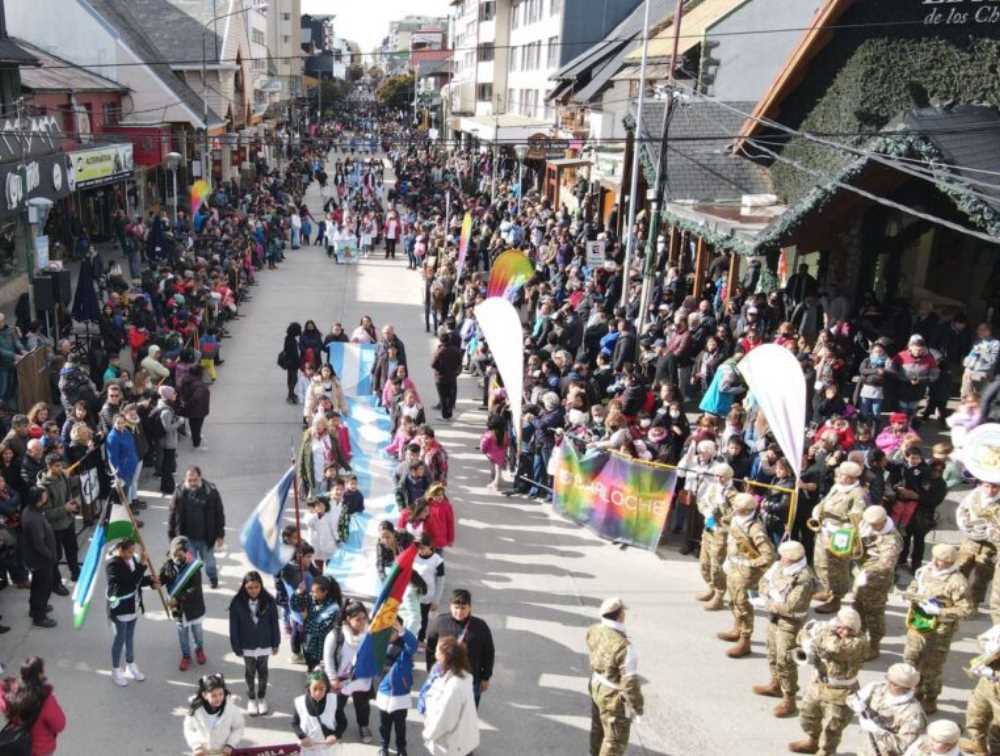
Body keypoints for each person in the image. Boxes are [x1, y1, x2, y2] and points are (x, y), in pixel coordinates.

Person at [901, 543, 973, 714]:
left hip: (941, 629)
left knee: (932, 666)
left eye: (941, 561)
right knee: (911, 658)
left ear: (949, 563)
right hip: (919, 622)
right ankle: (914, 691)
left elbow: (966, 610)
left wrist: (940, 611)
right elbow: (915, 584)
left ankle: (930, 698)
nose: (936, 562)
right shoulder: (926, 571)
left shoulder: (957, 582)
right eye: (935, 558)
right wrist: (910, 594)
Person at [788, 607, 868, 755]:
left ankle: (825, 752)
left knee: (831, 729)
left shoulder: (858, 643)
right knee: (807, 716)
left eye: (849, 630)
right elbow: (801, 635)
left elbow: (833, 648)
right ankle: (813, 742)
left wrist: (815, 632)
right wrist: (809, 634)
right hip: (818, 683)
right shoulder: (830, 631)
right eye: (842, 627)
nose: (844, 633)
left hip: (840, 692)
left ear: (856, 630)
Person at [751, 540, 817, 718]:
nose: (781, 560)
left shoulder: (804, 578)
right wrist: (770, 598)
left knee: (786, 660)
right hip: (774, 617)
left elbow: (791, 607)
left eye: (784, 558)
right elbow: (763, 583)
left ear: (793, 560)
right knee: (772, 653)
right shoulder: (779, 566)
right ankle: (775, 684)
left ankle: (789, 699)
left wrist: (767, 601)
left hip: (790, 624)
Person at [718, 492, 774, 658]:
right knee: (734, 600)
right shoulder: (736, 518)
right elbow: (726, 523)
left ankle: (745, 640)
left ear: (748, 510)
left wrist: (750, 564)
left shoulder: (755, 528)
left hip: (746, 571)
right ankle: (737, 628)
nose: (734, 510)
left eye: (738, 509)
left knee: (743, 604)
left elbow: (768, 556)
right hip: (733, 565)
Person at [586, 596, 643, 756]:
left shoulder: (594, 630)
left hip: (596, 684)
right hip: (612, 695)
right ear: (620, 615)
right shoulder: (625, 647)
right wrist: (637, 707)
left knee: (597, 730)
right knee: (614, 741)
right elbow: (630, 683)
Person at [811, 460, 868, 614]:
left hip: (840, 534)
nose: (839, 478)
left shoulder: (858, 493)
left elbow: (857, 518)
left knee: (837, 568)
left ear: (851, 478)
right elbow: (824, 502)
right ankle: (827, 589)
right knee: (821, 563)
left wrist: (840, 530)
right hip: (824, 529)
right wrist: (817, 511)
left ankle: (836, 598)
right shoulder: (836, 488)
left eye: (842, 476)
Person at [425, 589, 495, 708]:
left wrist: (485, 677)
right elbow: (430, 647)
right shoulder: (440, 622)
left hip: (471, 680)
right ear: (450, 606)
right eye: (456, 607)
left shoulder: (480, 626)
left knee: (468, 713)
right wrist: (431, 669)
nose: (459, 611)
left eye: (463, 608)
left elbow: (489, 652)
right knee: (444, 711)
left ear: (470, 607)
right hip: (444, 679)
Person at [106, 537, 159, 687]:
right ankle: (116, 670)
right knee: (120, 639)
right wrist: (142, 565)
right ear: (120, 550)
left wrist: (151, 582)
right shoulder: (112, 565)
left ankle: (130, 664)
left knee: (129, 637)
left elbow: (139, 580)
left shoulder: (132, 559)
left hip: (133, 605)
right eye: (129, 552)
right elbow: (129, 582)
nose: (132, 554)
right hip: (120, 608)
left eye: (133, 551)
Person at [853, 505, 904, 660]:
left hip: (878, 579)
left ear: (882, 521)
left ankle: (874, 645)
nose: (871, 527)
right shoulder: (865, 526)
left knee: (874, 613)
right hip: (862, 575)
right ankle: (859, 637)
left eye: (874, 525)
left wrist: (867, 571)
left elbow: (885, 565)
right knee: (858, 607)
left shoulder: (891, 539)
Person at [228, 570, 281, 717]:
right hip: (247, 644)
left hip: (265, 643)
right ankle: (252, 698)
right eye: (250, 587)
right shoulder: (237, 603)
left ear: (261, 586)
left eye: (256, 587)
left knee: (263, 671)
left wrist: (276, 643)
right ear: (244, 587)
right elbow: (234, 627)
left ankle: (262, 697)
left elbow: (274, 624)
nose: (253, 591)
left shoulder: (269, 602)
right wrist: (236, 646)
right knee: (250, 672)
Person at [322, 600, 374, 743]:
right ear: (347, 619)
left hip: (360, 678)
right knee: (337, 705)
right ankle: (335, 727)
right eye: (358, 619)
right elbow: (328, 658)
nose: (362, 622)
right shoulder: (336, 635)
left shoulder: (369, 635)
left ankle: (363, 726)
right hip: (340, 680)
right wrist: (332, 678)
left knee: (363, 705)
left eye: (365, 618)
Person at [846, 662, 925, 756]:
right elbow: (850, 700)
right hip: (867, 747)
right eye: (887, 678)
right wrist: (855, 702)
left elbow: (903, 746)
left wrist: (877, 730)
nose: (886, 683)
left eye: (890, 682)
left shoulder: (914, 714)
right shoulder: (878, 688)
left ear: (898, 686)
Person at [421, 636, 480, 756]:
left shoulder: (454, 687)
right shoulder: (462, 676)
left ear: (445, 657)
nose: (435, 653)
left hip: (451, 745)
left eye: (438, 650)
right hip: (463, 740)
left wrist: (428, 734)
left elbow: (445, 719)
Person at [168, 466, 225, 589]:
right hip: (187, 540)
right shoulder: (179, 493)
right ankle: (194, 584)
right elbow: (172, 517)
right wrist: (173, 540)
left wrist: (220, 535)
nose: (193, 483)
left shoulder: (211, 492)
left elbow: (219, 514)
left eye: (195, 480)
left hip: (206, 539)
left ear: (200, 478)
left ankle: (213, 578)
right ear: (185, 479)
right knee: (190, 563)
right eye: (190, 480)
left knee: (210, 563)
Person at [0, 657, 66, 756]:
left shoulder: (11, 693)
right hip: (40, 749)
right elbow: (60, 725)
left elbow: (3, 701)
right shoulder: (47, 700)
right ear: (40, 674)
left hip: (17, 746)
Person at [160, 536, 207, 671]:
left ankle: (199, 650)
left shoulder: (193, 566)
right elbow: (161, 579)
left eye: (180, 551)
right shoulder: (168, 566)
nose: (177, 554)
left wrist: (178, 598)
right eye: (175, 551)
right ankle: (186, 656)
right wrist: (154, 582)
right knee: (182, 635)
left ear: (186, 552)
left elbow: (195, 589)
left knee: (197, 632)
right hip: (178, 610)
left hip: (194, 608)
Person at [695, 462, 735, 610]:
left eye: (721, 476)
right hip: (709, 529)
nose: (718, 478)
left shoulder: (732, 494)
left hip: (721, 533)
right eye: (716, 475)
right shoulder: (713, 488)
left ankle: (719, 595)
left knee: (717, 567)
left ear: (728, 477)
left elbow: (734, 515)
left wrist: (719, 514)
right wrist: (707, 513)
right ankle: (711, 588)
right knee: (704, 564)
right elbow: (702, 502)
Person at [375, 616, 417, 756]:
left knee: (400, 726)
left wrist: (401, 629)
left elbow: (414, 645)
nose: (389, 635)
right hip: (384, 692)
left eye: (393, 631)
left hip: (400, 694)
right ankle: (383, 747)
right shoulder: (379, 646)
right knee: (384, 725)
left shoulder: (405, 648)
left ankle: (401, 748)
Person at [956, 480, 1000, 607]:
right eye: (987, 486)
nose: (990, 491)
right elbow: (962, 510)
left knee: (981, 576)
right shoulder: (975, 494)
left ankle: (973, 605)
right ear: (981, 485)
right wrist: (965, 524)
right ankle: (956, 601)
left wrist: (991, 530)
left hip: (991, 546)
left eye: (995, 487)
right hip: (971, 540)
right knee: (960, 569)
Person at [20, 487, 58, 628]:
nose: (46, 496)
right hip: (41, 560)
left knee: (37, 585)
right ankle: (39, 617)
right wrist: (51, 556)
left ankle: (34, 609)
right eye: (44, 495)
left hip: (35, 559)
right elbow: (39, 544)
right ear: (38, 499)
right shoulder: (34, 518)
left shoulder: (29, 510)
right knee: (43, 588)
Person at [183, 673, 245, 756]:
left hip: (224, 752)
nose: (218, 698)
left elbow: (238, 727)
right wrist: (196, 746)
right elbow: (188, 728)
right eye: (214, 695)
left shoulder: (231, 708)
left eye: (221, 694)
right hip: (202, 753)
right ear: (205, 695)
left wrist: (230, 745)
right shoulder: (195, 710)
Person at [291, 575, 343, 671]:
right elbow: (295, 606)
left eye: (315, 592)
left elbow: (320, 629)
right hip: (308, 646)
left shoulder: (333, 609)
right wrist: (299, 592)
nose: (312, 594)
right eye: (312, 591)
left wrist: (306, 619)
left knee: (319, 677)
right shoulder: (312, 599)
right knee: (311, 670)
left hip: (322, 651)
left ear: (325, 592)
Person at [293, 670, 340, 752]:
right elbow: (294, 723)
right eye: (314, 689)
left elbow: (343, 722)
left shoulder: (333, 701)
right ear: (308, 688)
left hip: (327, 748)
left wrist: (335, 735)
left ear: (327, 688)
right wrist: (302, 736)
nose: (318, 693)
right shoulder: (300, 702)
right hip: (307, 747)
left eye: (322, 689)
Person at [430, 328, 463, 420]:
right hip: (452, 376)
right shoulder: (456, 350)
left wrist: (439, 369)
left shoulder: (440, 351)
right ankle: (449, 412)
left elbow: (433, 364)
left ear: (441, 340)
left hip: (441, 377)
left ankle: (445, 415)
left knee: (443, 397)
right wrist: (455, 371)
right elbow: (459, 363)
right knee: (450, 395)